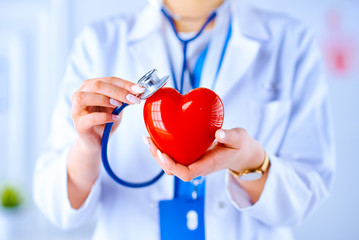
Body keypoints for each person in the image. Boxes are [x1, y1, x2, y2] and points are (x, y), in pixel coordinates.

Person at [33, 0, 335, 239]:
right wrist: (88, 148)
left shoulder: (291, 42)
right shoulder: (99, 43)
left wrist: (251, 163)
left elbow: (307, 192)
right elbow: (57, 207)